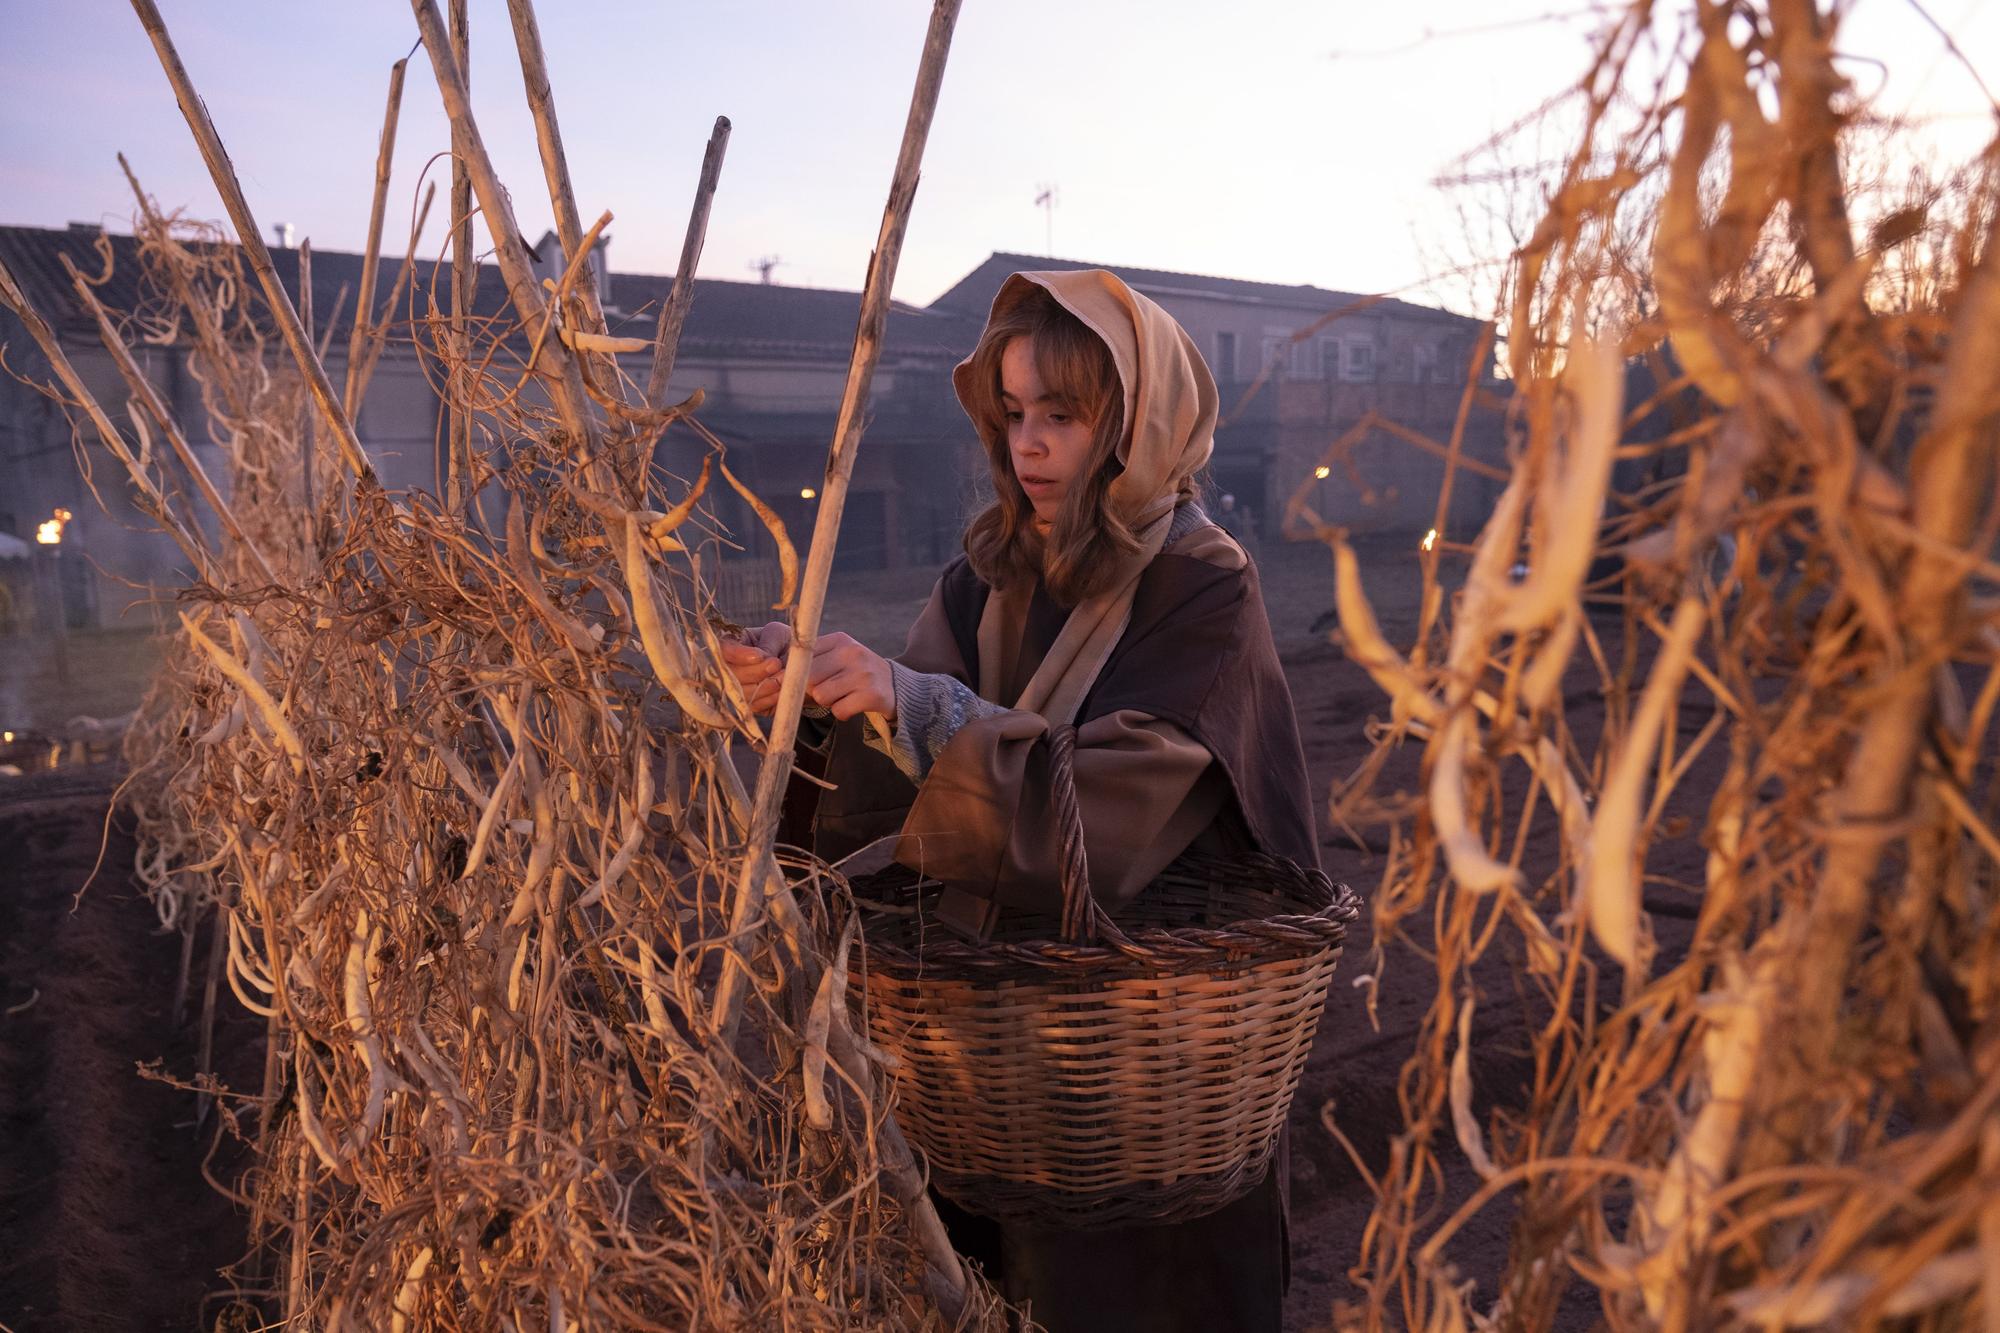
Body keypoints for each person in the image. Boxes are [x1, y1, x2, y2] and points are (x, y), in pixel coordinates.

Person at [722, 270, 1319, 1331]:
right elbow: (886, 783)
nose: (1028, 443)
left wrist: (914, 706)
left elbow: (1107, 815)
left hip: (1146, 1059)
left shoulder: (1203, 588)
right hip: (994, 1066)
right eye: (1012, 414)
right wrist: (814, 698)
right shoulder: (985, 578)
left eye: (1062, 414)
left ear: (1139, 421)